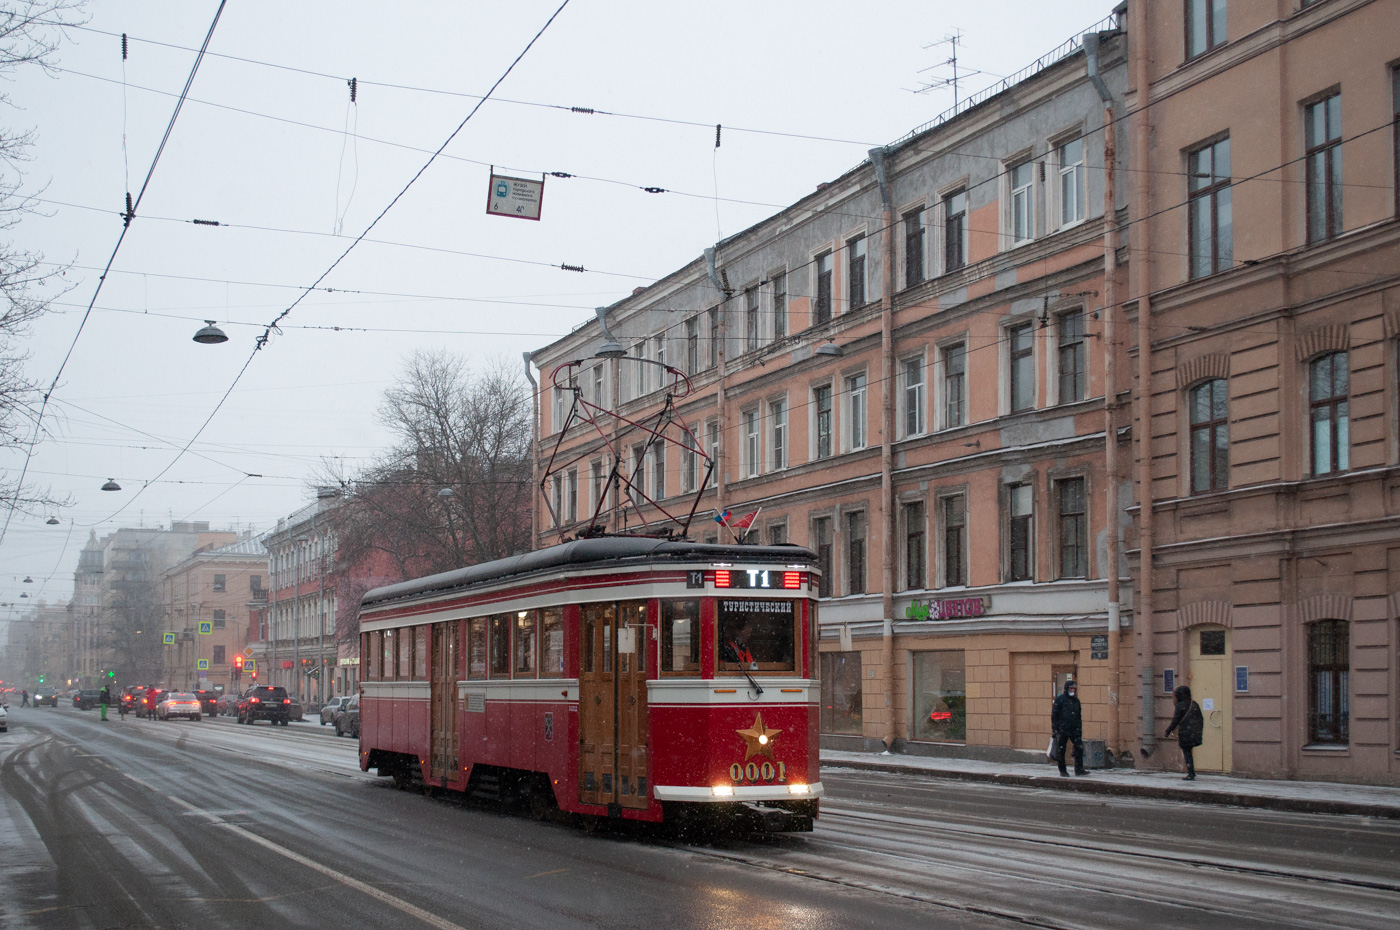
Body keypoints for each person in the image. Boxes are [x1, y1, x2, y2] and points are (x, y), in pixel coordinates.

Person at [1164, 684, 1204, 780]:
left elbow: (1175, 720)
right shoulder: (1194, 704)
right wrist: (1198, 731)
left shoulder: (1180, 705)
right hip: (1194, 732)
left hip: (1185, 733)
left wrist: (1168, 730)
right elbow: (1201, 718)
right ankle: (1191, 772)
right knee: (1189, 752)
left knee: (1187, 752)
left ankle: (1191, 773)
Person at [1050, 679, 1087, 777]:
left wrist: (1079, 730)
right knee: (1061, 750)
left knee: (1079, 748)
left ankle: (1079, 769)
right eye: (1071, 688)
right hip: (1063, 729)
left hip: (1074, 729)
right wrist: (1055, 730)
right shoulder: (1060, 700)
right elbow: (1054, 716)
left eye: (1074, 689)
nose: (1073, 690)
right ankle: (1063, 770)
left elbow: (1078, 717)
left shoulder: (1076, 701)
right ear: (1066, 689)